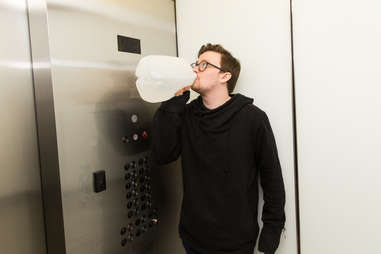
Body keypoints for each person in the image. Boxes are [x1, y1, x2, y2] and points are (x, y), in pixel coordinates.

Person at [151, 43, 285, 254]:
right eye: (195, 63)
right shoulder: (185, 115)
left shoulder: (252, 119)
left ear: (225, 76)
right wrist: (175, 100)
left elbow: (272, 178)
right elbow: (162, 153)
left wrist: (271, 233)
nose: (195, 69)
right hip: (193, 239)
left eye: (204, 65)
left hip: (236, 243)